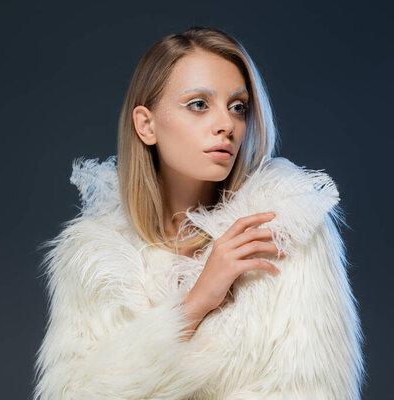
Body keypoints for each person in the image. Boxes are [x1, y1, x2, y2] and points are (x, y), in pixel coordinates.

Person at [32, 26, 366, 400]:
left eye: (238, 107)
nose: (226, 124)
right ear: (146, 125)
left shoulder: (282, 227)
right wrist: (194, 303)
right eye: (199, 105)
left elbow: (310, 390)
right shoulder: (92, 257)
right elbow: (75, 392)